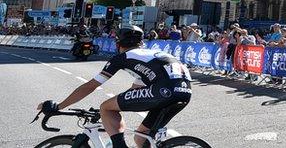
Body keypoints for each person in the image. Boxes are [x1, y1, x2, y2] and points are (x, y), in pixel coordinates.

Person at [38, 25, 192, 148]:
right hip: (184, 91)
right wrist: (114, 108)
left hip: (164, 90)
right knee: (141, 138)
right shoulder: (150, 54)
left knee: (106, 107)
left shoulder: (122, 57)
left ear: (118, 43)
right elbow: (135, 91)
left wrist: (59, 106)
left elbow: (90, 86)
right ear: (141, 42)